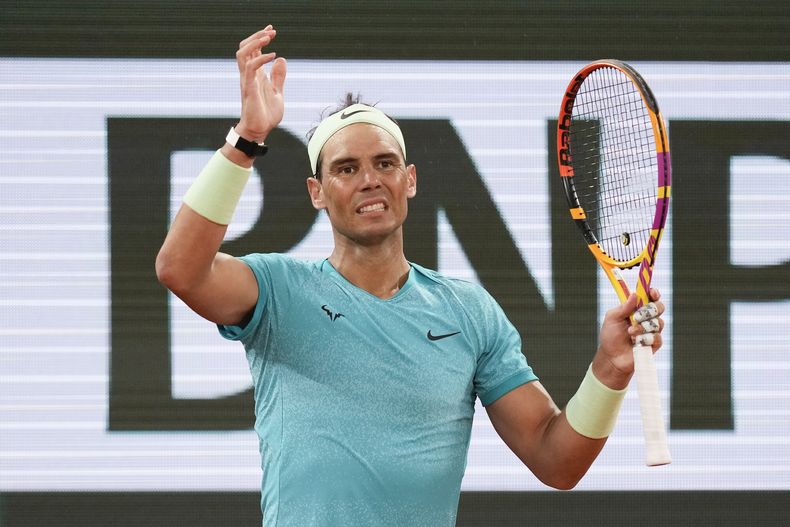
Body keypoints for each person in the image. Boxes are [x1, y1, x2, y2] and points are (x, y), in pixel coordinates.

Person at [156, 26, 666, 526]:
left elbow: (556, 461)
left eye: (384, 163)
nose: (370, 179)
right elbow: (179, 269)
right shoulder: (277, 288)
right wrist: (247, 140)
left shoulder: (469, 313)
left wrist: (610, 367)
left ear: (410, 179)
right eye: (346, 168)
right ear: (317, 191)